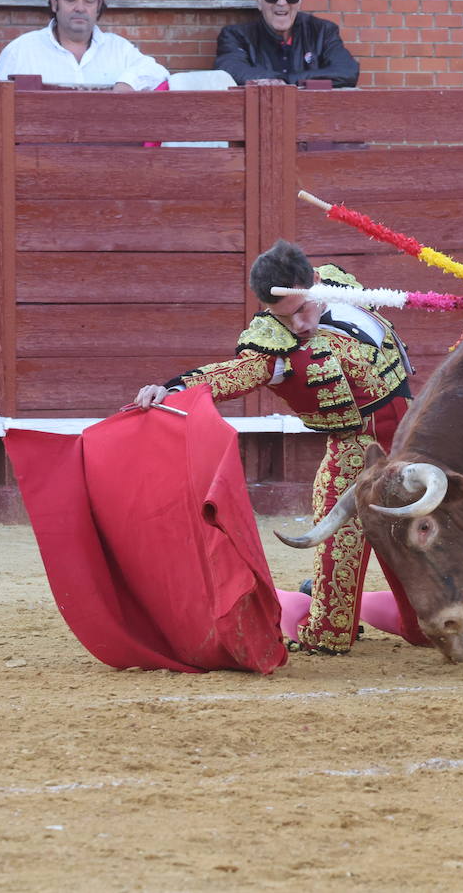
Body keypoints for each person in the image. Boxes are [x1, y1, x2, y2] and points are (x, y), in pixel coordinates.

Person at [133, 240, 428, 655]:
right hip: (353, 466)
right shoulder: (274, 348)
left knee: (432, 623)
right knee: (329, 634)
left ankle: (360, 606)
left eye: (304, 308)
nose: (301, 325)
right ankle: (297, 604)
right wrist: (172, 389)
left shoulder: (340, 284)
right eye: (286, 317)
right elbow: (230, 375)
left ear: (314, 284)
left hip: (413, 449)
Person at [0, 0, 168, 91]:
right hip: (41, 148)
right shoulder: (21, 51)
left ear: (98, 5)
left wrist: (128, 82)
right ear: (54, 2)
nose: (80, 7)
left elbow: (159, 72)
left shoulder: (119, 49)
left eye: (89, 0)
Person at [214, 0, 359, 88]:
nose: (282, 3)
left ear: (300, 0)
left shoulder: (322, 32)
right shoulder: (236, 36)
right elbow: (229, 70)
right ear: (258, 0)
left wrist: (285, 81)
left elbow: (347, 72)